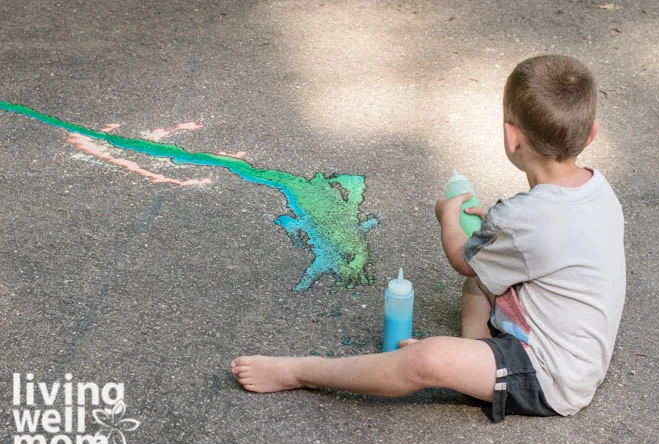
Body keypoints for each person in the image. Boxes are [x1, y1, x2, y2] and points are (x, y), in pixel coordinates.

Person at [231, 55, 626, 422]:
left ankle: (301, 372)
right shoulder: (598, 189)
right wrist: (499, 232)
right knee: (480, 278)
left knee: (429, 358)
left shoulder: (521, 216)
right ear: (591, 134)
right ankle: (475, 352)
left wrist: (448, 219)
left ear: (512, 137)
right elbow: (551, 241)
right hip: (577, 349)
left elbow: (460, 256)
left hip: (550, 376)